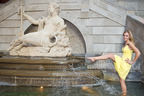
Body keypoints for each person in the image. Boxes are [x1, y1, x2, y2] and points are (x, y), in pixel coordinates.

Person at [86, 30, 140, 95]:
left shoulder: (130, 43)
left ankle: (94, 58)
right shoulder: (126, 43)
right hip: (123, 61)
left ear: (129, 36)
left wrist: (132, 62)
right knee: (121, 80)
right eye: (124, 35)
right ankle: (124, 94)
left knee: (110, 55)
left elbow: (138, 53)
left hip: (125, 63)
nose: (125, 37)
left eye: (126, 36)